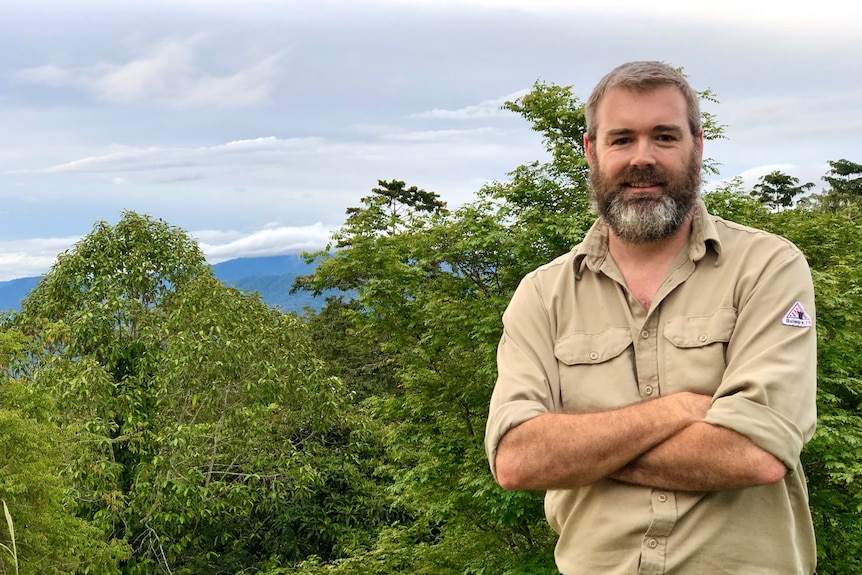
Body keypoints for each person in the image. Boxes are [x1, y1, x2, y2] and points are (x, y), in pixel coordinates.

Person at [484, 61, 817, 575]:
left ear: (697, 146)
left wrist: (579, 451)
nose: (643, 157)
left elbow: (755, 454)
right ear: (592, 150)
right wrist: (680, 409)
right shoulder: (542, 294)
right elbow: (518, 460)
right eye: (622, 139)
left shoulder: (768, 267)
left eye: (664, 136)